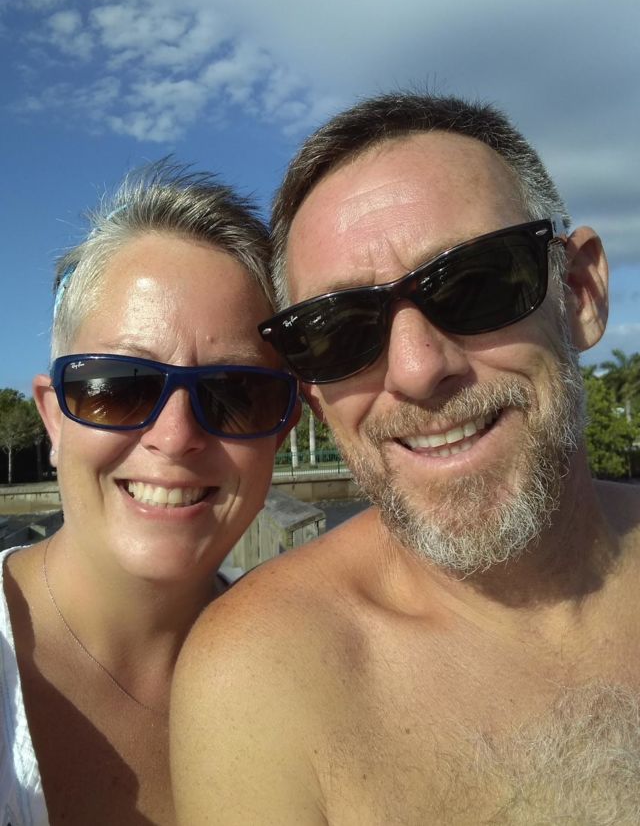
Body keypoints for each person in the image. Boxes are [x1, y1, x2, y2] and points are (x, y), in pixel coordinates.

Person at [171, 93, 640, 824]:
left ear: (579, 293)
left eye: (475, 284)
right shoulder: (268, 678)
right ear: (315, 395)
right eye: (339, 330)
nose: (418, 369)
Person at [1, 161, 298, 825]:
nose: (176, 435)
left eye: (235, 395)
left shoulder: (314, 668)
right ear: (54, 418)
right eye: (118, 387)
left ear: (281, 431)